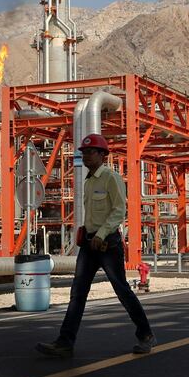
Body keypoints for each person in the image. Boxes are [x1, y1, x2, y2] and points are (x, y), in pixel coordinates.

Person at [36, 133, 156, 358]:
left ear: (102, 155)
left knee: (121, 290)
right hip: (89, 243)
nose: (86, 156)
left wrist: (101, 234)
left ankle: (146, 334)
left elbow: (119, 210)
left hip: (108, 244)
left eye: (90, 152)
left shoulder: (111, 178)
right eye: (84, 152)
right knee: (77, 293)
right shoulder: (89, 181)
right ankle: (65, 342)